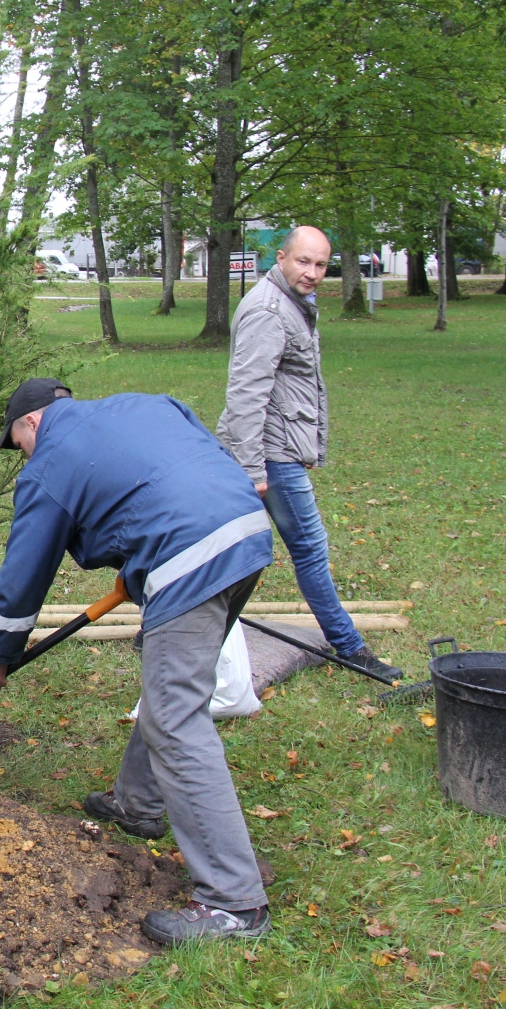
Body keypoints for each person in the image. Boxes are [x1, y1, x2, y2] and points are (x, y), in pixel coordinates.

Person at [0, 379, 274, 945]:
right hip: (246, 531)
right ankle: (137, 804)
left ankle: (234, 902)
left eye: (17, 443)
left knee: (174, 719)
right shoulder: (146, 402)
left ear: (32, 423)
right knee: (173, 693)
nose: (22, 457)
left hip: (191, 556)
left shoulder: (47, 465)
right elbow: (180, 467)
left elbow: (21, 584)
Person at [215, 225, 401, 679]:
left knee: (241, 550)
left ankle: (173, 626)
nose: (313, 272)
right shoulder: (268, 311)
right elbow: (246, 394)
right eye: (304, 261)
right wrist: (252, 468)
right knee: (309, 550)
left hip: (276, 448)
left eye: (321, 264)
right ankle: (350, 646)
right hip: (269, 454)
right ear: (281, 257)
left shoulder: (293, 302)